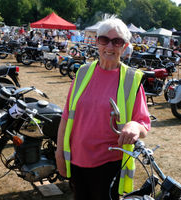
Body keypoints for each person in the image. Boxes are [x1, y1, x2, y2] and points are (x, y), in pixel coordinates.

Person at [55, 15, 151, 200]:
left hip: (108, 165)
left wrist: (133, 125)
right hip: (77, 160)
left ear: (124, 46)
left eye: (117, 42)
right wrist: (59, 153)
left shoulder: (131, 79)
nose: (109, 47)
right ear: (97, 43)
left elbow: (143, 124)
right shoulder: (82, 72)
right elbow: (67, 116)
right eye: (104, 40)